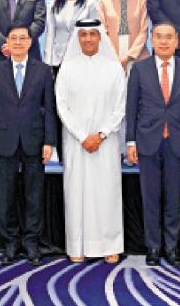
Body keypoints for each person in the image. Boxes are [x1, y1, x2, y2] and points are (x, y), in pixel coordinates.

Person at [125, 22, 180, 267]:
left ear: (176, 41)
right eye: (159, 36)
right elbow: (131, 108)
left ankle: (171, 246)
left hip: (177, 141)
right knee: (150, 197)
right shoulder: (139, 69)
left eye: (169, 37)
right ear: (152, 40)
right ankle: (153, 247)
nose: (164, 41)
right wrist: (130, 141)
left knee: (173, 198)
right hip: (147, 141)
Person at [0, 23, 56, 267]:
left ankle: (32, 242)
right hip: (4, 142)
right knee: (6, 196)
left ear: (30, 42)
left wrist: (49, 141)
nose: (17, 42)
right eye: (13, 38)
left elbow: (49, 109)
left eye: (22, 38)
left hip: (34, 141)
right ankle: (10, 243)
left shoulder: (43, 71)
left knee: (34, 196)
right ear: (7, 42)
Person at [55, 19, 125, 264]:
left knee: (107, 192)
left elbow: (120, 106)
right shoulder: (67, 68)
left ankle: (110, 245)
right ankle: (77, 245)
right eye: (83, 35)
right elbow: (62, 106)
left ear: (100, 37)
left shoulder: (114, 68)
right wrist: (83, 136)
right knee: (76, 193)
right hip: (77, 142)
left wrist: (102, 134)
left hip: (106, 142)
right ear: (78, 38)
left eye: (92, 34)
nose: (87, 39)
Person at [44, 0, 99, 163]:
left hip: (82, 62)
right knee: (61, 108)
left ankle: (82, 148)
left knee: (81, 106)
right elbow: (50, 35)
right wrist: (49, 64)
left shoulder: (90, 4)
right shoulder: (54, 4)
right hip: (59, 63)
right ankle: (62, 154)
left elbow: (97, 34)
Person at [97, 0, 150, 74]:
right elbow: (102, 32)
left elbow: (144, 32)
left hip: (138, 55)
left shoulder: (141, 1)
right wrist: (114, 56)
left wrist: (129, 57)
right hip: (111, 56)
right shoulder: (103, 2)